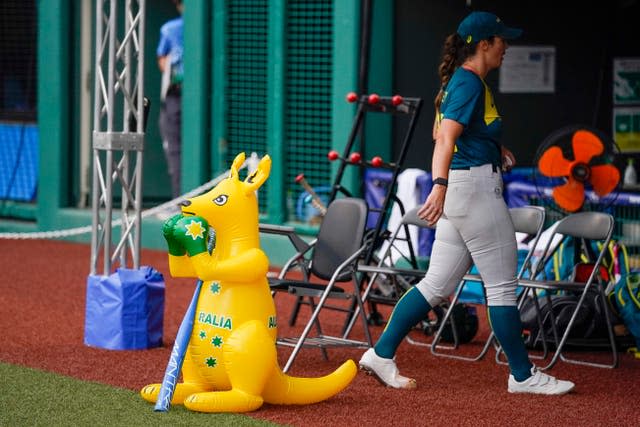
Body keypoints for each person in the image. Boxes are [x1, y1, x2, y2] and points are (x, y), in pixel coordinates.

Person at [359, 11, 575, 395]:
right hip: (472, 191)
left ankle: (382, 353)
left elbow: (449, 133)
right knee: (503, 287)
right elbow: (443, 139)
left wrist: (493, 147)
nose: (506, 47)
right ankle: (522, 376)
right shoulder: (468, 83)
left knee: (437, 285)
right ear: (484, 44)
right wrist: (438, 185)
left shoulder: (463, 82)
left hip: (466, 188)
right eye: (501, 40)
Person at [157, 0, 184, 200]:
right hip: (176, 95)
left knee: (175, 150)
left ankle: (179, 202)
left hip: (178, 98)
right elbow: (162, 60)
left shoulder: (171, 28)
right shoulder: (170, 28)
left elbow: (162, 61)